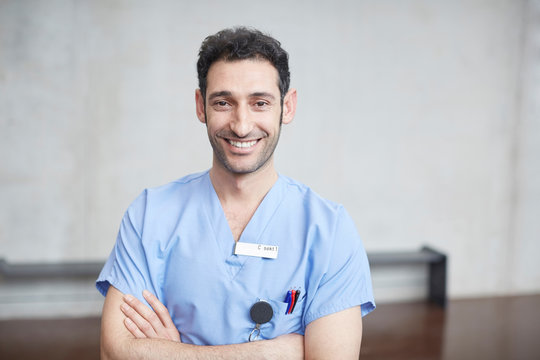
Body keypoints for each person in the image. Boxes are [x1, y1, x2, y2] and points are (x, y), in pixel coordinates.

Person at [97, 26, 375, 359]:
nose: (241, 125)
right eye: (223, 102)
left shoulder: (329, 230)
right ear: (201, 106)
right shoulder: (149, 215)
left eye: (260, 103)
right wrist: (272, 352)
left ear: (287, 107)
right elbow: (116, 352)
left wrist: (175, 352)